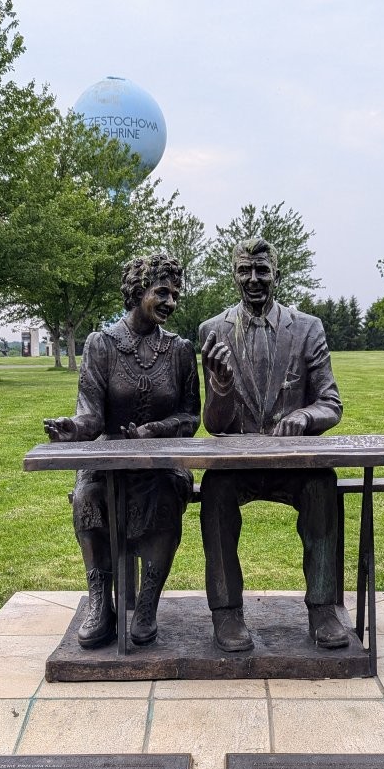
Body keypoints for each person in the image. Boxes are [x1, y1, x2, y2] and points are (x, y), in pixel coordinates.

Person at [197, 237, 353, 652]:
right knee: (214, 493)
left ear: (276, 275)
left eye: (262, 271)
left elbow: (331, 403)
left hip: (293, 462)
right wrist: (221, 385)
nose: (253, 279)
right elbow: (214, 426)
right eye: (245, 270)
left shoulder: (307, 328)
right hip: (238, 465)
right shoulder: (212, 331)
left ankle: (323, 608)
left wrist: (304, 416)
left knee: (323, 487)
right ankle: (227, 613)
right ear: (233, 275)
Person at [43, 254, 200, 648]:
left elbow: (190, 417)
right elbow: (91, 416)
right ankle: (101, 603)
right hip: (108, 463)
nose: (170, 302)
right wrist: (73, 428)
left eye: (175, 295)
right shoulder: (102, 345)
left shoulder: (180, 350)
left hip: (160, 463)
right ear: (137, 291)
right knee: (88, 497)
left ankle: (147, 603)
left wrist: (154, 431)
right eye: (161, 292)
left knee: (166, 498)